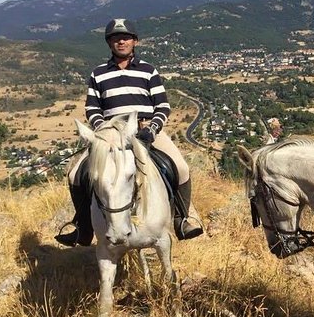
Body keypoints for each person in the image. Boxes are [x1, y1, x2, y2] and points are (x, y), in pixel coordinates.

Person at [55, 18, 203, 247]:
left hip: (145, 129)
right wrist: (102, 131)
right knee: (75, 174)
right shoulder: (98, 74)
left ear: (135, 41)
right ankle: (83, 227)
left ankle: (182, 220)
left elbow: (162, 106)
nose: (120, 41)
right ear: (109, 43)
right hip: (111, 134)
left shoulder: (148, 71)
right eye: (115, 38)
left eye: (125, 37)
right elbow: (93, 108)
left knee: (181, 168)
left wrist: (152, 130)